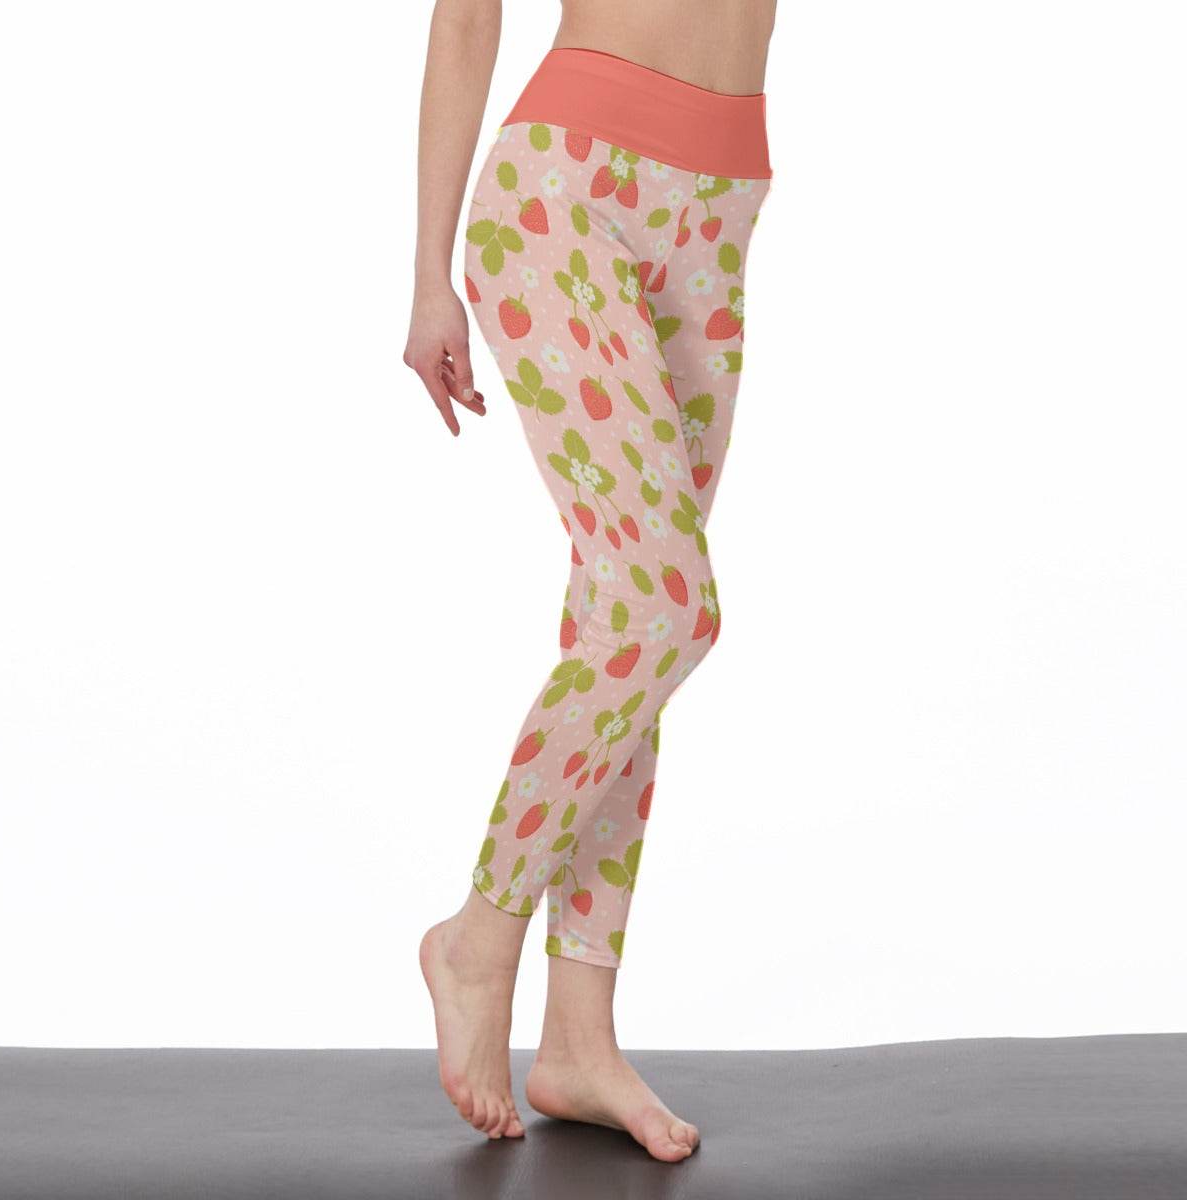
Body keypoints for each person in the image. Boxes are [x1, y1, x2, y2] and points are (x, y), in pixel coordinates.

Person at [404, 0, 777, 1162]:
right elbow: (467, 16)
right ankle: (478, 936)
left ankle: (577, 1038)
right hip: (566, 193)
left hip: (720, 208)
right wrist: (429, 279)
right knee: (666, 608)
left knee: (627, 630)